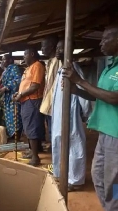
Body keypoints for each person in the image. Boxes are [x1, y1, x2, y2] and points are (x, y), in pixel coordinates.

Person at [63, 25, 118, 210]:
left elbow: (114, 97)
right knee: (98, 176)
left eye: (105, 39)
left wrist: (80, 81)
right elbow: (99, 95)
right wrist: (77, 90)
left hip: (116, 135)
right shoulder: (109, 68)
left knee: (113, 182)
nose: (101, 43)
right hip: (104, 132)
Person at [51, 40, 91, 191]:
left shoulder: (73, 69)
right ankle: (62, 174)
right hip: (59, 115)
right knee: (59, 142)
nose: (58, 50)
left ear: (70, 49)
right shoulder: (60, 69)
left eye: (62, 48)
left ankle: (75, 181)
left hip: (70, 114)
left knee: (74, 144)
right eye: (57, 47)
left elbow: (83, 93)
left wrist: (86, 114)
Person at [13, 48, 45, 166]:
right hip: (26, 101)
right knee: (29, 127)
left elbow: (35, 86)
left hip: (32, 100)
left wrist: (21, 94)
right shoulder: (29, 68)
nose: (23, 57)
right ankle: (33, 152)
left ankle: (35, 158)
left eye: (25, 54)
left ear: (32, 54)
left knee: (32, 128)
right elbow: (26, 86)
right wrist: (19, 93)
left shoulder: (37, 66)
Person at [40, 36, 62, 146]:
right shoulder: (49, 62)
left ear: (52, 47)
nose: (42, 49)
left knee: (56, 132)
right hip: (48, 104)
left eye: (43, 46)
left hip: (55, 104)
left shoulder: (59, 62)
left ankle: (58, 159)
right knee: (51, 131)